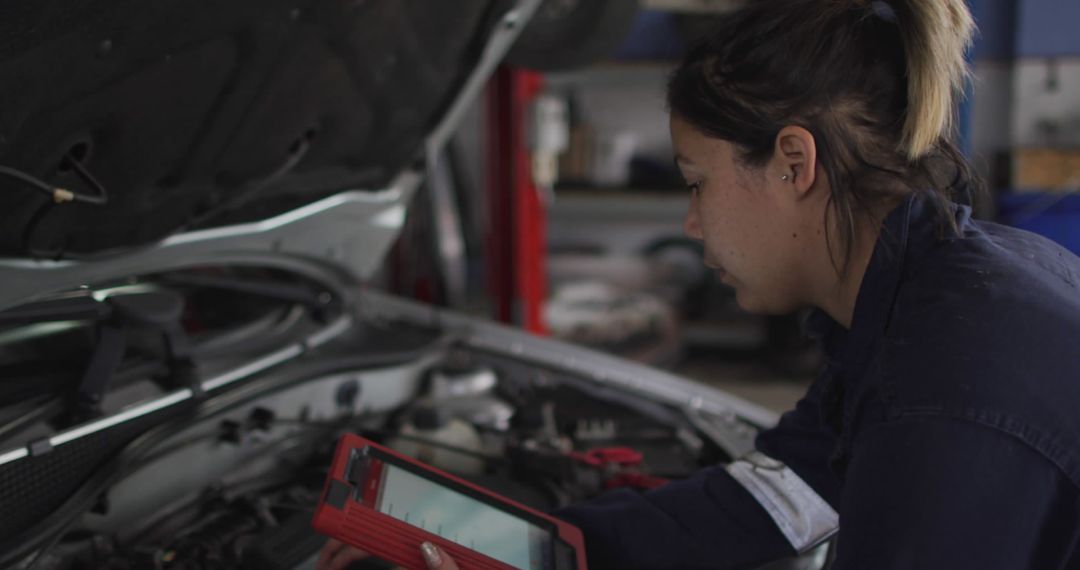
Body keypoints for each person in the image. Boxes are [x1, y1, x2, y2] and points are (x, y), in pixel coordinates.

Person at [319, 0, 1080, 567]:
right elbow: (771, 503)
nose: (691, 223)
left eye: (695, 182)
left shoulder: (950, 390)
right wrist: (528, 548)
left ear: (793, 162)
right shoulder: (916, 304)